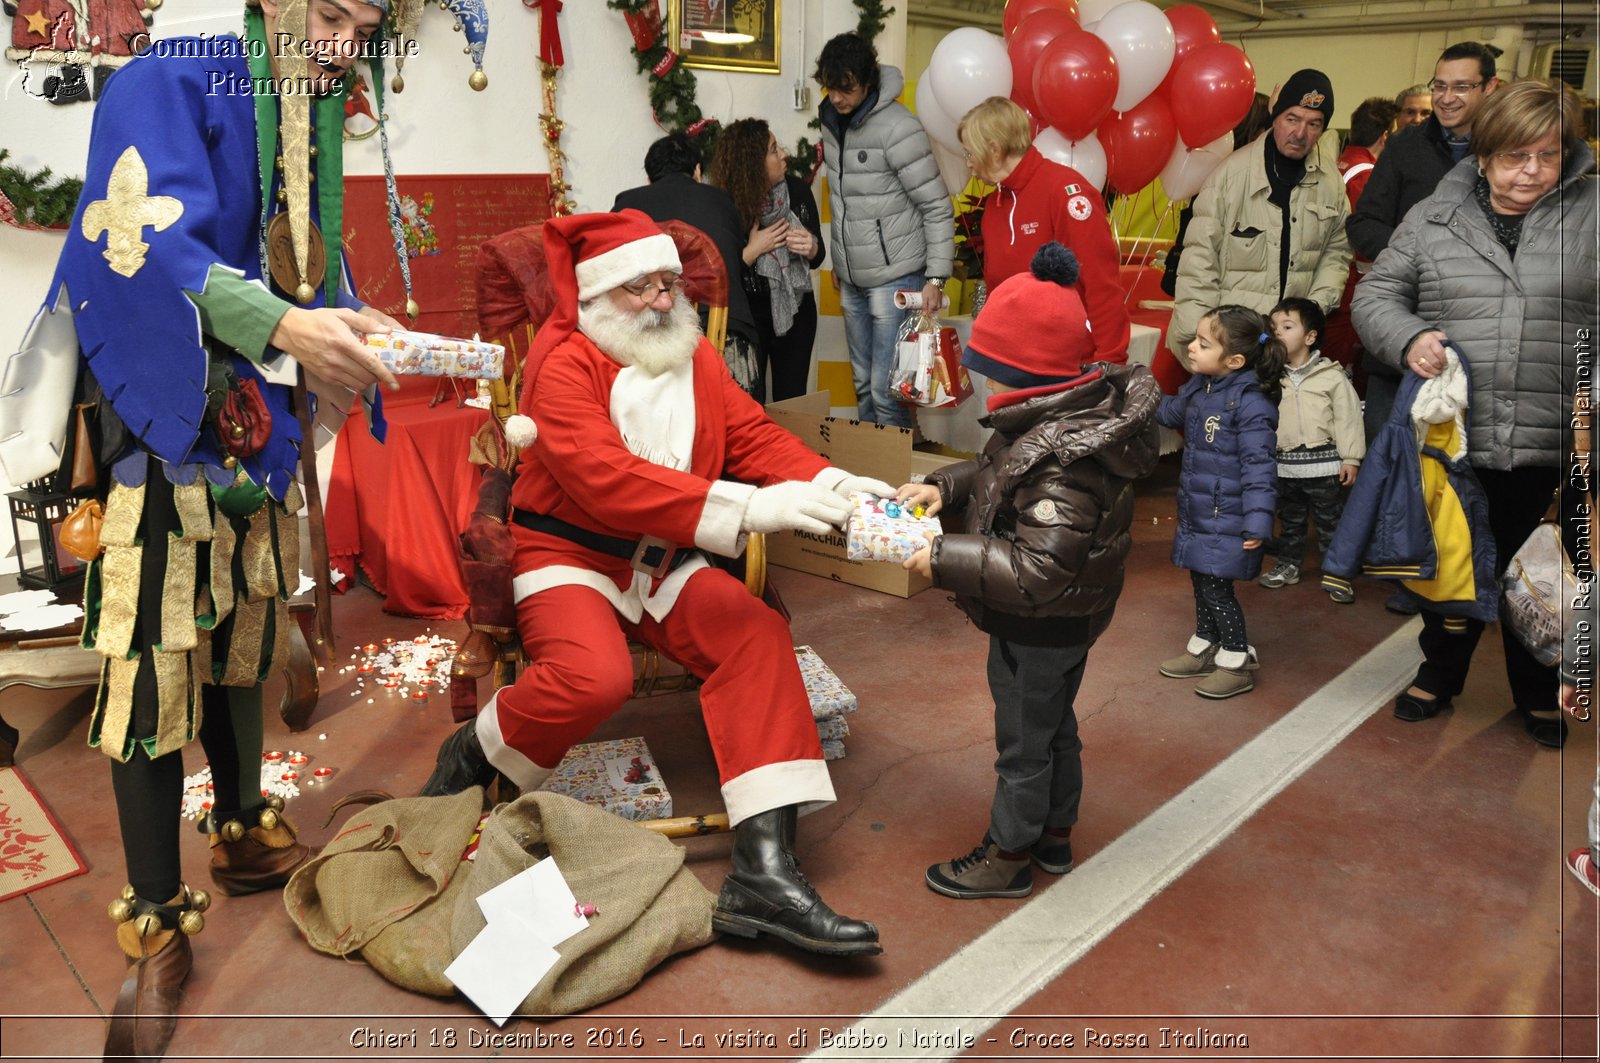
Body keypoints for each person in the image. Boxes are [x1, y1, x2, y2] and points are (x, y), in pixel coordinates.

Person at [19, 1, 412, 1058]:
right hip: (159, 419)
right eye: (329, 14)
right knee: (150, 657)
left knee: (241, 629)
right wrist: (288, 326)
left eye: (366, 25)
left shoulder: (303, 103)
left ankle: (240, 829)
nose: (344, 44)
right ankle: (153, 920)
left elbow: (296, 260)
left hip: (252, 427)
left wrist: (350, 313)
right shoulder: (170, 74)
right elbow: (140, 247)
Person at [420, 210, 893, 957]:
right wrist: (749, 507)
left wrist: (835, 481)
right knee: (592, 676)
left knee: (755, 633)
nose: (661, 301)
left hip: (666, 556)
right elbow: (606, 482)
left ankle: (763, 877)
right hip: (569, 552)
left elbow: (751, 434)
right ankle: (475, 751)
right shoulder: (562, 359)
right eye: (640, 287)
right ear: (602, 293)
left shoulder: (691, 351)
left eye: (669, 283)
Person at [893, 243, 1160, 898]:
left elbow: (1036, 569)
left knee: (1021, 743)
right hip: (1069, 619)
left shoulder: (1065, 460)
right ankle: (1056, 832)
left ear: (1028, 376)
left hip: (1039, 622)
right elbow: (998, 473)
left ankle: (1009, 854)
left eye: (991, 373)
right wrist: (944, 488)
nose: (984, 386)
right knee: (1052, 722)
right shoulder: (1056, 419)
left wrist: (940, 559)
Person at [1352, 78, 1597, 749]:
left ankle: (1538, 690)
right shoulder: (1434, 216)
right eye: (1517, 155)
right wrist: (1409, 338)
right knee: (1451, 564)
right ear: (1484, 155)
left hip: (1558, 436)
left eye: (1549, 156)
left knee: (1541, 572)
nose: (1533, 171)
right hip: (1457, 433)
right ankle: (1440, 672)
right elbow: (1375, 295)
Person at [1347, 46, 1501, 543]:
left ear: (1490, 89)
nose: (1447, 97)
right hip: (1402, 335)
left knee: (1461, 469)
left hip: (1480, 346)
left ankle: (1453, 571)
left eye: (1462, 86)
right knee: (1391, 460)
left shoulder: (1508, 151)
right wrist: (1417, 257)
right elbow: (1364, 223)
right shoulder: (1405, 147)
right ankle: (1405, 566)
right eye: (1440, 85)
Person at [813, 32, 954, 427]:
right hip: (853, 278)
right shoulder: (830, 121)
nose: (837, 97)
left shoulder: (899, 127)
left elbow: (936, 205)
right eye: (830, 87)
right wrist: (842, 266)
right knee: (862, 384)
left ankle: (900, 483)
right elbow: (845, 202)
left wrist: (937, 277)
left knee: (889, 390)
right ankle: (871, 476)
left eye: (847, 88)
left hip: (895, 278)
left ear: (868, 81)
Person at [1167, 70, 1351, 367]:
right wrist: (1202, 345)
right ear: (1276, 115)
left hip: (1290, 351)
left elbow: (1337, 253)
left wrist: (1309, 314)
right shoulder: (1229, 176)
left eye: (1313, 124)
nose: (1300, 133)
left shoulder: (1331, 182)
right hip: (1231, 346)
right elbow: (1198, 264)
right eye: (1292, 119)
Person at [1157, 306, 1285, 699]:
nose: (1191, 348)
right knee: (1201, 579)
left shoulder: (1250, 402)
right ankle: (1205, 645)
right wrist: (1137, 391)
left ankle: (1235, 660)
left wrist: (1259, 522)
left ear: (1235, 360)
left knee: (1216, 588)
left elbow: (1259, 466)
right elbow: (1169, 411)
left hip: (1228, 515)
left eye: (1202, 343)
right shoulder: (1203, 386)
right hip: (1202, 509)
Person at [955, 97, 1130, 362]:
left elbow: (1101, 283)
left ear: (994, 150)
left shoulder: (1064, 191)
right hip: (1015, 360)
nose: (968, 163)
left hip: (1068, 361)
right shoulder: (994, 206)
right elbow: (998, 291)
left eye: (970, 153)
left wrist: (1110, 362)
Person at [613, 132, 762, 396]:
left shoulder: (626, 204)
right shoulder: (720, 200)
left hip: (653, 336)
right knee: (734, 425)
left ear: (649, 179)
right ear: (697, 171)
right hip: (726, 334)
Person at [706, 118, 826, 403]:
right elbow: (719, 271)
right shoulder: (724, 204)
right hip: (747, 318)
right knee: (748, 403)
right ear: (752, 164)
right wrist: (753, 249)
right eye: (773, 150)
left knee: (792, 403)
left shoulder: (797, 191)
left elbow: (818, 257)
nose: (783, 154)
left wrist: (810, 247)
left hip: (796, 311)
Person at [1257, 297, 1363, 599]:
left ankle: (1338, 572)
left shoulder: (1331, 376)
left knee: (1331, 523)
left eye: (1287, 326)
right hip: (1285, 466)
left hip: (1324, 466)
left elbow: (1349, 418)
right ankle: (1288, 565)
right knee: (1290, 522)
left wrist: (1351, 457)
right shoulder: (1269, 377)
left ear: (1310, 336)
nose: (1278, 332)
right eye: (1274, 327)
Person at [1323, 97, 1402, 373]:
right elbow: (1363, 238)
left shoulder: (1340, 163)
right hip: (1351, 282)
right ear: (1385, 136)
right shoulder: (1367, 174)